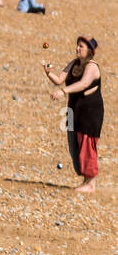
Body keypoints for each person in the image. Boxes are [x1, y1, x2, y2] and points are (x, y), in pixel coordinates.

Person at [43, 37, 103, 192]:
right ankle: (85, 178)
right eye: (77, 45)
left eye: (81, 46)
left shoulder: (92, 67)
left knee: (86, 142)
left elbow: (83, 83)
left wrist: (63, 91)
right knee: (73, 143)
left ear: (89, 50)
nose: (77, 48)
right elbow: (59, 80)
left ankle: (90, 183)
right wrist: (49, 73)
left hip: (89, 112)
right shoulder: (73, 63)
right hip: (72, 110)